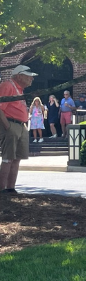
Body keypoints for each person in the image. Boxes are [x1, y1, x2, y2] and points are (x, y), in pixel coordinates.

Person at [0, 65, 37, 194]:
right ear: (19, 76)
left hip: (21, 125)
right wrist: (7, 126)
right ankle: (2, 189)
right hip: (12, 124)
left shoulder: (19, 89)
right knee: (8, 158)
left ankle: (10, 188)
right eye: (29, 76)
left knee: (16, 159)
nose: (31, 79)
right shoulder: (7, 85)